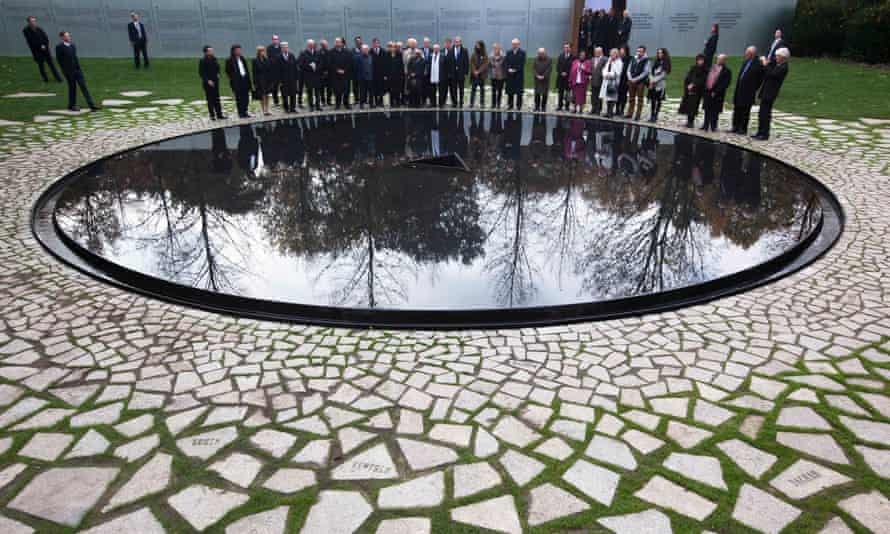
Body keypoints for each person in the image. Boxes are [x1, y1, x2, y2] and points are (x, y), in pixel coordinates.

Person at [55, 32, 100, 112]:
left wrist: (79, 69)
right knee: (72, 88)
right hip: (69, 72)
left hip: (77, 70)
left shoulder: (72, 45)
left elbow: (75, 57)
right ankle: (72, 105)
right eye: (66, 36)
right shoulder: (59, 47)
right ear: (62, 37)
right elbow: (59, 61)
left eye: (68, 35)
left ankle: (92, 105)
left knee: (84, 87)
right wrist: (65, 71)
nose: (68, 37)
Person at [753, 48, 790, 140]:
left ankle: (764, 134)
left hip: (770, 93)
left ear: (783, 57)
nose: (776, 57)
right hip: (766, 91)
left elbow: (772, 74)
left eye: (778, 56)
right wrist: (767, 62)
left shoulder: (783, 67)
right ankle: (760, 132)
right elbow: (769, 70)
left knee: (765, 114)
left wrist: (765, 64)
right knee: (761, 113)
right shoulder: (777, 65)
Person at [731, 46, 764, 134]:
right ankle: (735, 126)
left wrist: (754, 88)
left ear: (752, 54)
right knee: (737, 109)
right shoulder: (746, 62)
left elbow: (760, 79)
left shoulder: (758, 64)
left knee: (745, 111)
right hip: (740, 89)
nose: (745, 54)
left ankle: (742, 128)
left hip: (748, 91)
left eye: (747, 53)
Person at [22, 16, 61, 83]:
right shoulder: (26, 30)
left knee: (51, 64)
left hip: (45, 50)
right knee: (41, 66)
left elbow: (46, 38)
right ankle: (45, 79)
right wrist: (40, 46)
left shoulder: (39, 29)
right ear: (28, 22)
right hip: (37, 51)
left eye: (34, 21)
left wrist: (45, 45)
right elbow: (31, 41)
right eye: (32, 21)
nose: (33, 22)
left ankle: (58, 79)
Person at [701, 54, 732, 131]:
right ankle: (705, 125)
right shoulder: (712, 67)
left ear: (724, 61)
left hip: (717, 94)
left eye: (721, 59)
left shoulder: (727, 71)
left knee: (715, 110)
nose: (718, 60)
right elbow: (707, 77)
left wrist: (716, 91)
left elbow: (725, 84)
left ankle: (713, 126)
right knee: (707, 109)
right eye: (718, 59)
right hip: (708, 91)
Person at [678, 54, 708, 128]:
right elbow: (688, 77)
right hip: (689, 90)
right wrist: (687, 85)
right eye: (698, 60)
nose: (700, 62)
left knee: (693, 106)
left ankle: (691, 122)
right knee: (688, 105)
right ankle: (688, 121)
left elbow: (702, 80)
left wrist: (693, 85)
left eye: (701, 60)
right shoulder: (693, 68)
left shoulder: (705, 70)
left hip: (697, 91)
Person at [225, 44, 252, 118]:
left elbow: (246, 69)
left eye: (240, 50)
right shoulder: (230, 60)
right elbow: (228, 71)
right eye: (237, 50)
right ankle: (241, 112)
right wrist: (232, 79)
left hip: (244, 80)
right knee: (239, 98)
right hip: (237, 81)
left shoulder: (242, 58)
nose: (239, 51)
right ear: (233, 51)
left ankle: (245, 111)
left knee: (246, 97)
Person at [199, 45, 225, 120]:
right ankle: (212, 115)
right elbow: (202, 73)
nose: (212, 52)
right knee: (210, 99)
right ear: (206, 52)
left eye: (212, 50)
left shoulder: (214, 59)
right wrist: (208, 81)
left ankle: (219, 114)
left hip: (216, 81)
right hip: (208, 83)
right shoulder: (203, 60)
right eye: (210, 51)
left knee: (217, 98)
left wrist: (218, 73)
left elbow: (218, 67)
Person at [625, 45, 649, 120]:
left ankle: (638, 115)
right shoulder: (633, 58)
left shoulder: (646, 60)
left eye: (641, 51)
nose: (639, 53)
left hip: (640, 82)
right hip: (631, 80)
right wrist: (630, 78)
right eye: (638, 51)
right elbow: (628, 69)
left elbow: (645, 72)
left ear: (644, 52)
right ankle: (630, 113)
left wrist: (636, 79)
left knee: (640, 99)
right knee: (631, 98)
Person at [647, 47, 671, 122]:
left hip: (660, 84)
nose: (659, 54)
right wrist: (651, 79)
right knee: (653, 100)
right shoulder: (656, 62)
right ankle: (652, 114)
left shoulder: (665, 63)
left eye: (661, 53)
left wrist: (654, 80)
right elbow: (650, 71)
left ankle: (656, 115)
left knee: (658, 100)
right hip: (652, 84)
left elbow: (663, 74)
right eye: (658, 53)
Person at [329, 37, 352, 109]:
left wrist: (344, 70)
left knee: (346, 90)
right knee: (337, 91)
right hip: (335, 75)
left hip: (345, 74)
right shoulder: (331, 52)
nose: (337, 43)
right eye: (336, 42)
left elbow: (349, 62)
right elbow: (330, 63)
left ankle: (346, 103)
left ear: (342, 43)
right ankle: (337, 104)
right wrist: (337, 70)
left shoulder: (347, 52)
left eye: (339, 42)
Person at [300, 39, 323, 111]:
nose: (311, 46)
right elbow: (301, 64)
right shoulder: (303, 53)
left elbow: (321, 63)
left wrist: (316, 67)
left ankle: (318, 106)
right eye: (310, 44)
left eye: (312, 44)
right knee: (309, 92)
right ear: (308, 45)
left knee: (317, 92)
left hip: (316, 75)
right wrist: (310, 66)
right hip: (308, 76)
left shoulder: (318, 53)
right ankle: (311, 106)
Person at [599, 48, 623, 117]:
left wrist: (608, 75)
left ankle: (610, 112)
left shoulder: (619, 62)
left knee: (612, 98)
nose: (611, 55)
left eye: (613, 53)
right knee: (607, 97)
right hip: (606, 81)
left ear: (616, 54)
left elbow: (617, 72)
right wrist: (604, 74)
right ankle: (607, 112)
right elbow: (604, 69)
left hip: (613, 83)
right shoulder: (609, 61)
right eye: (611, 53)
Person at [505, 38, 526, 110]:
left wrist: (515, 70)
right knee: (510, 91)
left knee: (519, 92)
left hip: (518, 75)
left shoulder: (522, 52)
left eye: (515, 44)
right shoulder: (508, 52)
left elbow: (522, 64)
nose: (514, 45)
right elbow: (506, 62)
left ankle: (519, 106)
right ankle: (510, 105)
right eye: (513, 44)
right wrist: (508, 69)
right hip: (510, 75)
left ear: (518, 44)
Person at [278, 42, 299, 112]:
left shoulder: (291, 55)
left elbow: (295, 67)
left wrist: (296, 78)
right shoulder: (279, 57)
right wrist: (279, 81)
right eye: (284, 47)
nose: (285, 48)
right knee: (285, 95)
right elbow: (277, 70)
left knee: (293, 94)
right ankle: (286, 108)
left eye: (286, 47)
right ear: (281, 48)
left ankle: (293, 108)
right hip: (283, 80)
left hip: (292, 79)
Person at [252, 45, 273, 116]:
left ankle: (267, 109)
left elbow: (269, 69)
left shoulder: (266, 59)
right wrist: (255, 82)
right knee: (262, 95)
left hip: (267, 79)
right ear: (258, 52)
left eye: (263, 51)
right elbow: (254, 72)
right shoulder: (255, 60)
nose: (263, 52)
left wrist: (270, 80)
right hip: (260, 80)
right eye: (261, 51)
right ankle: (263, 109)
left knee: (267, 95)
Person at [450, 37, 470, 107]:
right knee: (454, 89)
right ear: (454, 42)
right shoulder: (451, 50)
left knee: (461, 88)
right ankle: (455, 102)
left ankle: (461, 101)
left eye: (458, 42)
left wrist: (466, 73)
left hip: (461, 73)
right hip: (453, 73)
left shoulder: (464, 50)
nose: (457, 43)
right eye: (456, 41)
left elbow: (466, 62)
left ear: (460, 42)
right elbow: (449, 62)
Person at [469, 40, 489, 108]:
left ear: (481, 45)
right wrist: (474, 71)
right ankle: (471, 103)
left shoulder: (485, 54)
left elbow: (485, 64)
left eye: (478, 45)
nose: (477, 46)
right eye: (476, 44)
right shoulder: (473, 53)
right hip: (474, 75)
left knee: (482, 90)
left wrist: (479, 71)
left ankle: (482, 103)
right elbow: (471, 63)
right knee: (473, 89)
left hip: (481, 75)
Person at [385, 41, 405, 107]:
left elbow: (401, 65)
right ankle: (391, 102)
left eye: (394, 47)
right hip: (390, 76)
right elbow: (385, 66)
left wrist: (402, 75)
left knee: (398, 90)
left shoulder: (399, 54)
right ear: (390, 48)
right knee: (391, 90)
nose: (393, 48)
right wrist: (385, 75)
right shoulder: (387, 54)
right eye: (391, 47)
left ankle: (398, 102)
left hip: (398, 76)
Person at [533, 48, 552, 112]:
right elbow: (533, 68)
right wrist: (537, 75)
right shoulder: (535, 59)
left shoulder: (549, 59)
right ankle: (537, 107)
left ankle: (543, 107)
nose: (540, 54)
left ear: (544, 53)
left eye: (542, 53)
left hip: (545, 79)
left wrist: (544, 76)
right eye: (539, 53)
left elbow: (549, 69)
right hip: (537, 79)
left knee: (544, 94)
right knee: (537, 94)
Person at [556, 43, 574, 111]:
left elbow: (573, 67)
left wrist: (567, 73)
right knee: (560, 92)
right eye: (565, 47)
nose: (566, 49)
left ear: (570, 48)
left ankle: (567, 106)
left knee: (568, 93)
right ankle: (559, 106)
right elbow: (558, 66)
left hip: (568, 78)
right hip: (561, 78)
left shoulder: (573, 57)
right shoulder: (560, 56)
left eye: (567, 47)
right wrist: (561, 72)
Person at [589, 47, 606, 115]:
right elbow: (591, 68)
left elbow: (605, 69)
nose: (596, 53)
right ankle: (593, 108)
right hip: (593, 80)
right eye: (595, 52)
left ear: (601, 52)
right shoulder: (592, 59)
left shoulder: (605, 59)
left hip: (600, 80)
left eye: (597, 52)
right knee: (593, 95)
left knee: (599, 96)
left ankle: (598, 109)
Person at [267, 35, 283, 106]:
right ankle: (275, 101)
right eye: (274, 39)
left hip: (281, 70)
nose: (275, 40)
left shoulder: (281, 47)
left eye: (276, 39)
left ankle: (284, 99)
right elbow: (270, 58)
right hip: (274, 70)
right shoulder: (269, 48)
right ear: (272, 40)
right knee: (275, 86)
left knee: (282, 85)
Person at [370, 38, 386, 107]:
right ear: (373, 44)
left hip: (381, 73)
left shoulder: (383, 51)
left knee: (381, 88)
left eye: (377, 43)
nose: (376, 44)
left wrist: (385, 74)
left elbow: (386, 64)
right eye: (374, 43)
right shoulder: (370, 51)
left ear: (379, 44)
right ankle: (376, 101)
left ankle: (381, 101)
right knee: (375, 88)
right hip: (373, 73)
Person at [357, 44, 374, 108]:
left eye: (366, 49)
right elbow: (356, 68)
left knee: (371, 92)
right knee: (362, 92)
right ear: (361, 50)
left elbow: (372, 67)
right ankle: (361, 104)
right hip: (362, 78)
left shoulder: (371, 57)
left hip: (370, 77)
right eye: (364, 49)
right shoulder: (358, 57)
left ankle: (371, 104)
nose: (365, 51)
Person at [489, 43, 506, 109]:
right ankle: (493, 104)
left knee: (499, 90)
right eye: (494, 48)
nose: (496, 49)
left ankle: (498, 104)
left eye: (497, 48)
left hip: (501, 76)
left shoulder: (503, 56)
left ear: (499, 49)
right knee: (493, 90)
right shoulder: (490, 56)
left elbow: (504, 66)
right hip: (493, 76)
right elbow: (489, 66)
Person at [615, 46, 630, 115]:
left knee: (623, 96)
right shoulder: (618, 59)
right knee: (617, 95)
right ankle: (617, 109)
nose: (621, 52)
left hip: (625, 80)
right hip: (617, 80)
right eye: (620, 50)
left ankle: (622, 110)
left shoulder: (629, 59)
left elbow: (629, 70)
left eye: (622, 50)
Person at [351, 36, 363, 105]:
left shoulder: (364, 49)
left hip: (362, 72)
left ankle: (362, 99)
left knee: (362, 87)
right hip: (355, 72)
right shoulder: (352, 51)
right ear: (355, 42)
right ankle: (356, 99)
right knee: (355, 87)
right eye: (357, 42)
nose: (358, 43)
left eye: (359, 41)